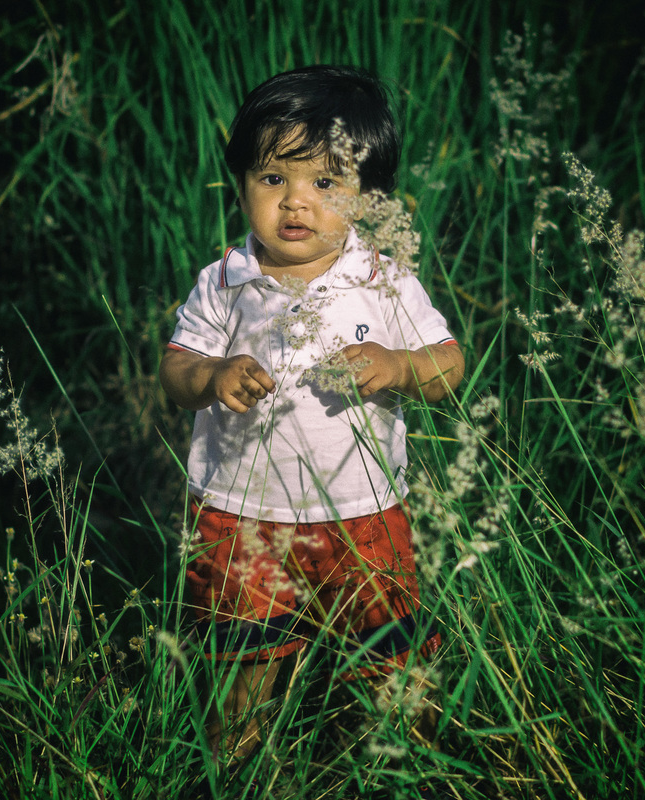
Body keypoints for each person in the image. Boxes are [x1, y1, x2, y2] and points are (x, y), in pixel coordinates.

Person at [159, 65, 464, 769]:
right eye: (273, 179)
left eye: (325, 184)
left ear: (367, 196)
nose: (296, 204)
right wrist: (210, 375)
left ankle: (405, 762)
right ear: (240, 182)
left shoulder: (383, 278)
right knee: (244, 654)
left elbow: (447, 365)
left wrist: (399, 365)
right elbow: (175, 373)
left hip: (363, 509)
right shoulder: (227, 279)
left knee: (390, 654)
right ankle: (236, 765)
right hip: (244, 512)